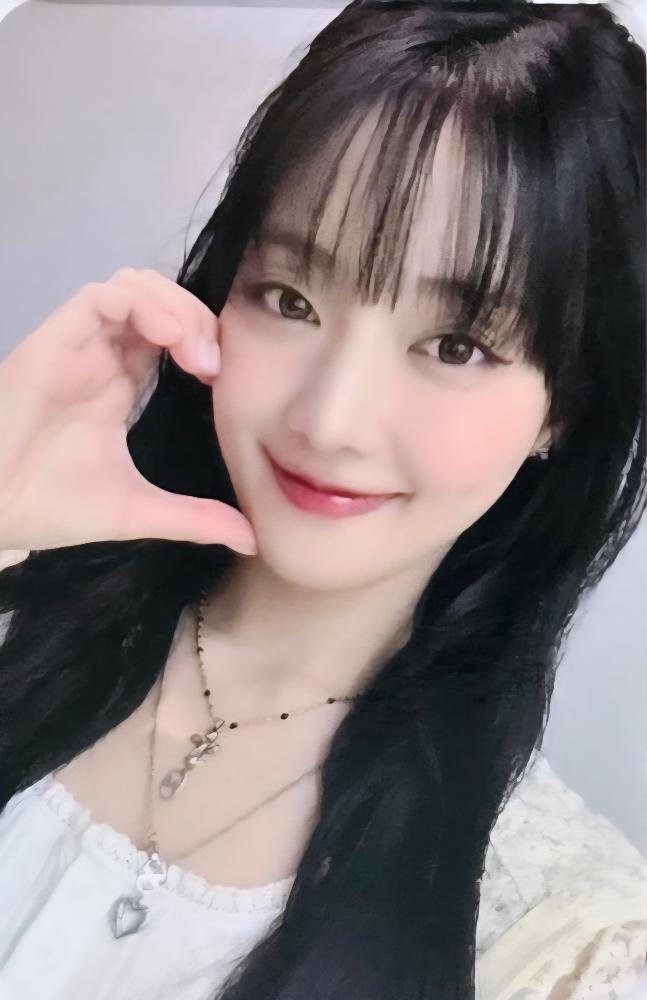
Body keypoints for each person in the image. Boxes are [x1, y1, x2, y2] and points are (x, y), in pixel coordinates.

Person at [0, 1, 645, 998]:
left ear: (565, 404)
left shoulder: (562, 940)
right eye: (289, 298)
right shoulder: (19, 599)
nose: (330, 418)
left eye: (457, 346)